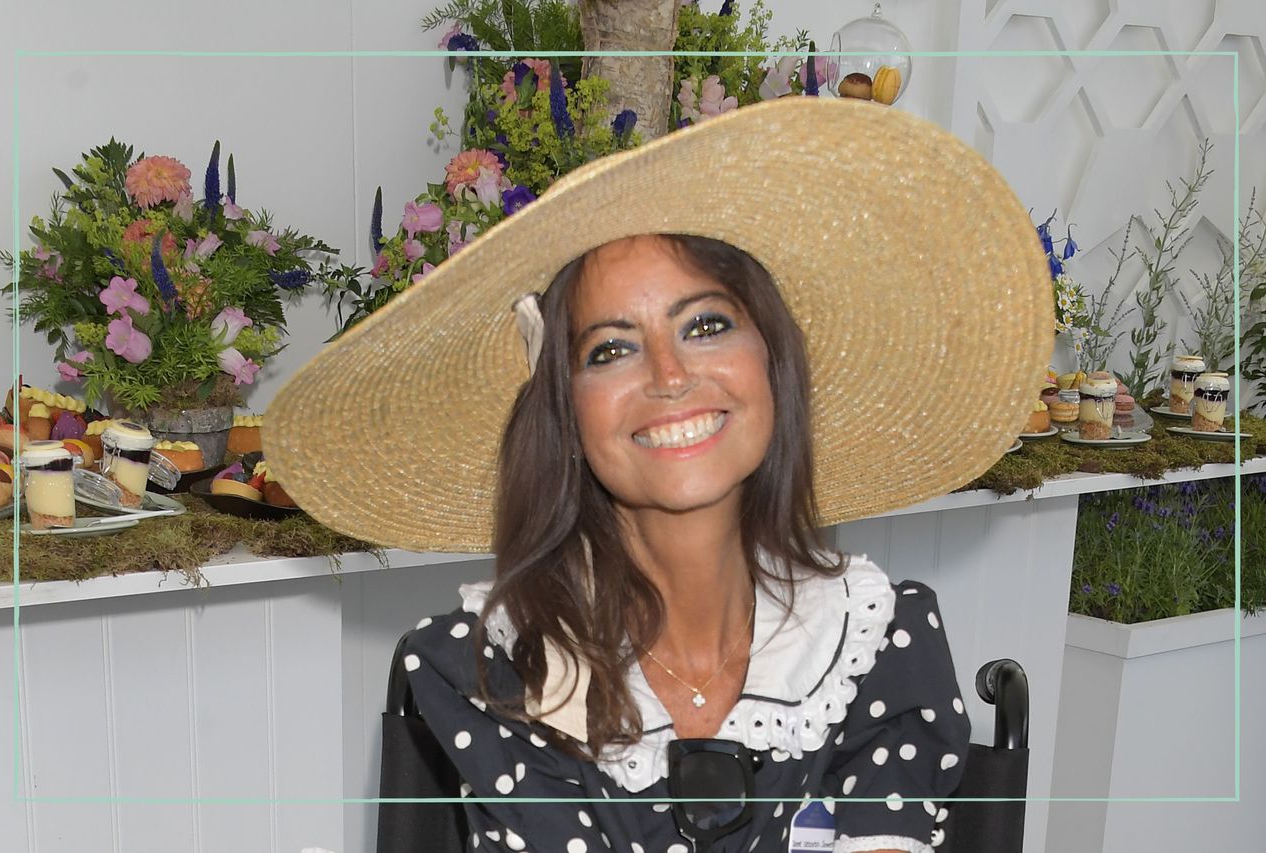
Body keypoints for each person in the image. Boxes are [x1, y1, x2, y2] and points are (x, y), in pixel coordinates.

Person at [265, 97, 1051, 853]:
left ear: (773, 363)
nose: (670, 374)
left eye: (705, 324)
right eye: (611, 348)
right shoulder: (495, 672)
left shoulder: (879, 643)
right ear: (565, 414)